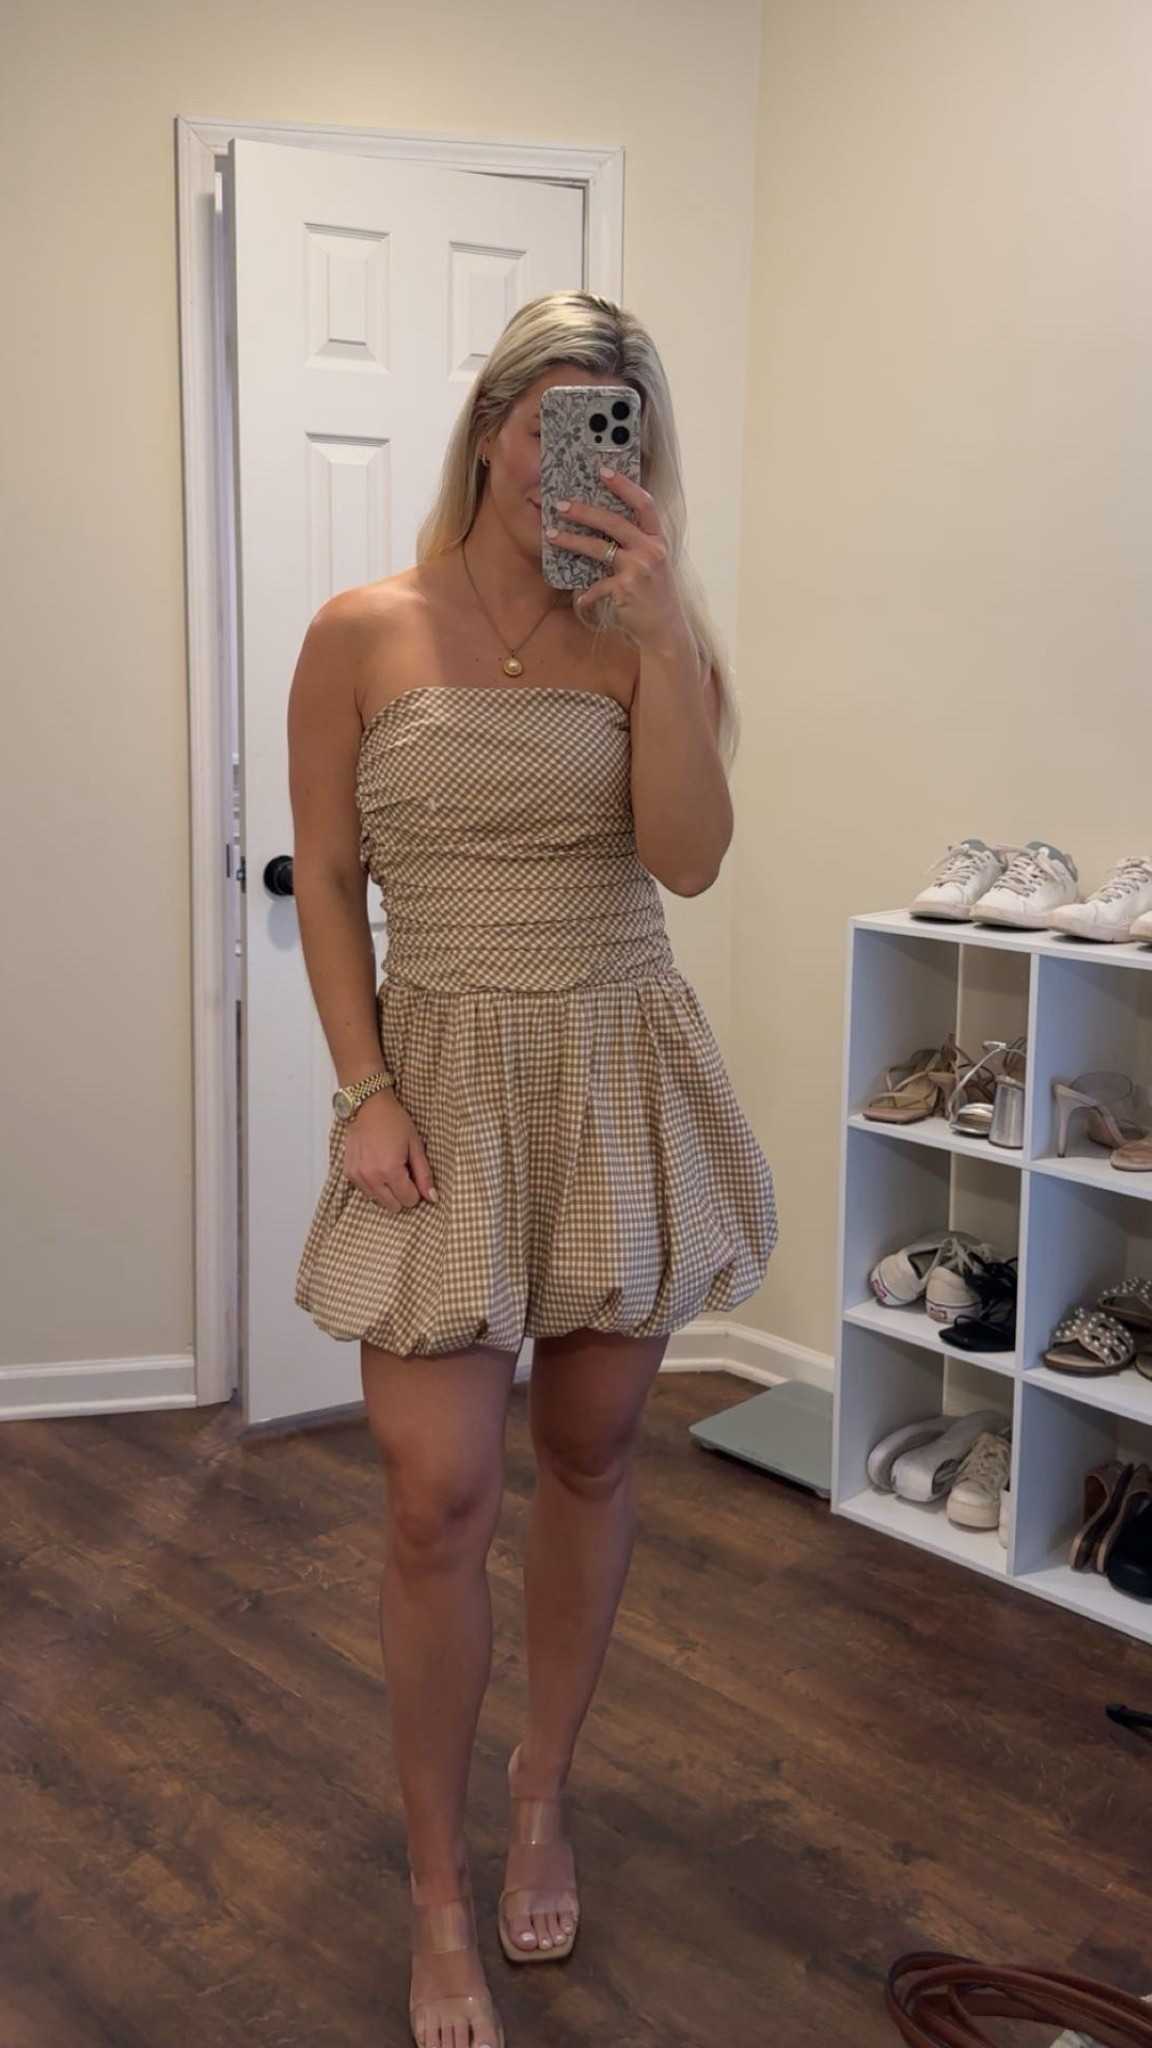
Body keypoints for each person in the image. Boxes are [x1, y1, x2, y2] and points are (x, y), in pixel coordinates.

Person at [288, 290, 778, 2048]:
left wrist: (662, 635)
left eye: (614, 423)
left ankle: (542, 1786)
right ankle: (436, 1891)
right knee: (435, 1497)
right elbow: (325, 874)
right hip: (438, 1077)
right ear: (493, 425)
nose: (579, 451)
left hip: (612, 1066)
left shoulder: (654, 637)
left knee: (592, 1450)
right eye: (556, 414)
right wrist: (362, 1087)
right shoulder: (363, 630)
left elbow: (690, 863)